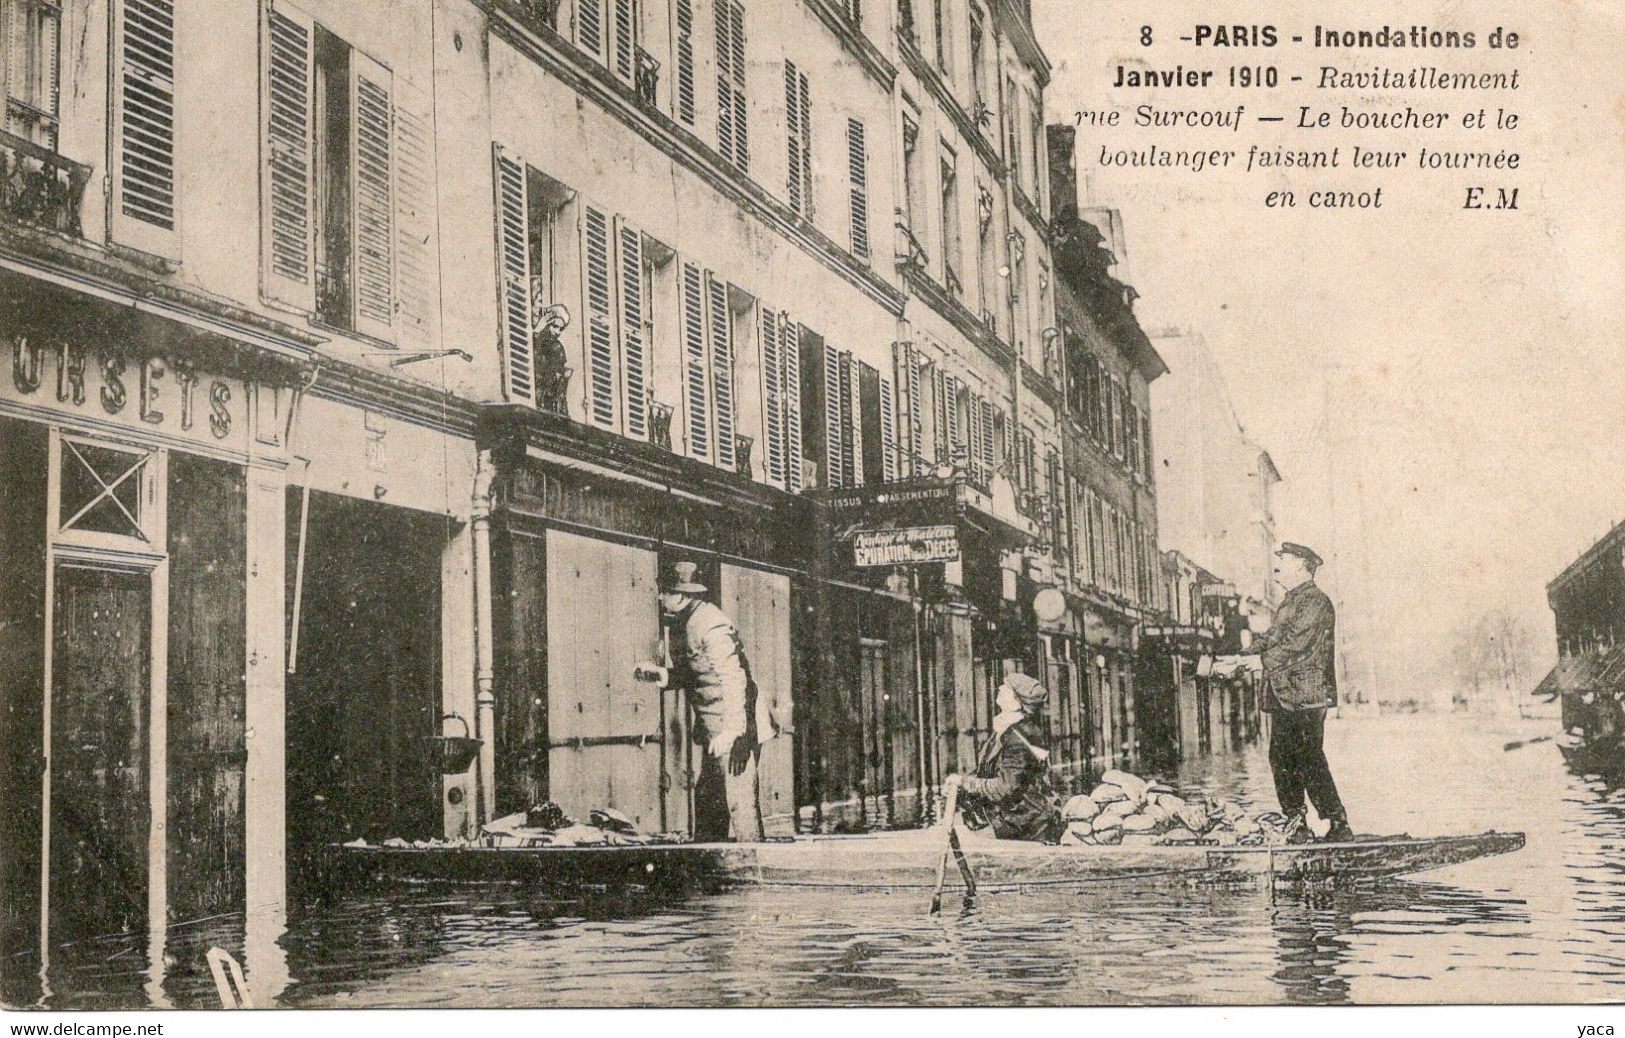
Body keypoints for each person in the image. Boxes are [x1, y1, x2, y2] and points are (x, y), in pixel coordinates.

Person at [633, 562, 773, 842]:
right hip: (716, 730)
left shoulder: (711, 624)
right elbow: (699, 672)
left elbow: (734, 679)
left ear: (683, 596)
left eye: (666, 592)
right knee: (710, 803)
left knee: (739, 801)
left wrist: (733, 731)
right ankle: (713, 873)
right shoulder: (686, 622)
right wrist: (662, 675)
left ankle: (758, 874)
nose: (660, 598)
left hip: (737, 729)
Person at [1249, 542, 1354, 844]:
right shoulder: (1290, 601)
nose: (1278, 563)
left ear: (1302, 566)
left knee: (1308, 757)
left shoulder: (1315, 602)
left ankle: (1337, 823)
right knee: (1281, 757)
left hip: (1307, 694)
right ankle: (1296, 823)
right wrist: (1238, 656)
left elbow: (1296, 644)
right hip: (1286, 693)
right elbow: (1272, 638)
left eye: (1285, 559)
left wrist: (1254, 661)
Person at [944, 673, 1063, 843]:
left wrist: (965, 783)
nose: (1000, 688)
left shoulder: (1020, 737)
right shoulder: (1006, 731)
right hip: (1014, 820)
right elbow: (985, 773)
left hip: (1028, 826)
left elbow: (1004, 788)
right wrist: (961, 785)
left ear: (1017, 702)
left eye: (1007, 688)